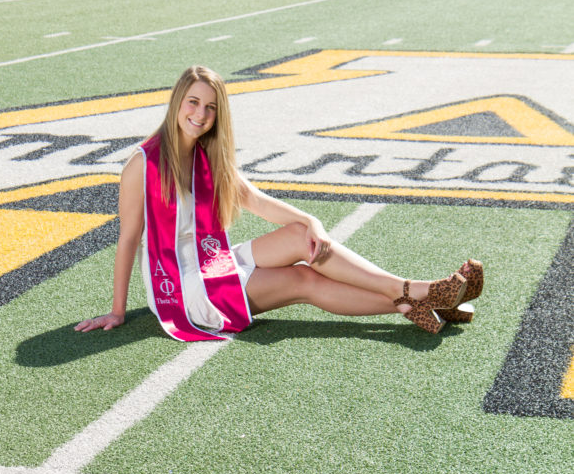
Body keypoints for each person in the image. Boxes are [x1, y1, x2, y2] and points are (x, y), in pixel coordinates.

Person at [75, 65, 483, 341]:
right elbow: (128, 238)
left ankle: (421, 300)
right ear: (177, 102)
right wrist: (117, 311)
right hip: (184, 286)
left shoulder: (207, 155)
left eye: (210, 108)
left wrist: (311, 221)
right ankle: (421, 294)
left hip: (213, 259)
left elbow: (253, 199)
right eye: (193, 102)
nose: (200, 114)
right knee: (304, 281)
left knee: (299, 238)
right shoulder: (143, 164)